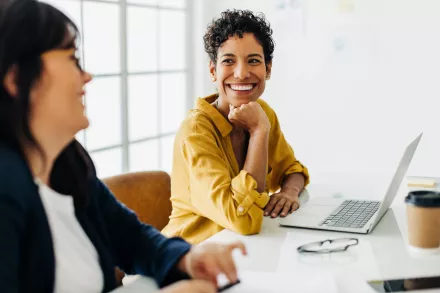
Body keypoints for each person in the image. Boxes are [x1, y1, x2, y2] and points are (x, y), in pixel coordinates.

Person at [0, 1, 245, 292]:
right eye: (72, 59)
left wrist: (188, 258)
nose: (86, 76)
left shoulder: (68, 163)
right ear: (16, 79)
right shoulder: (6, 185)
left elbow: (129, 237)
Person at [162, 10, 310, 244]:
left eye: (253, 60)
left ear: (268, 69)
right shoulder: (197, 130)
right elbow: (243, 219)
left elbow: (292, 170)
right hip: (191, 256)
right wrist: (259, 132)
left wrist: (288, 193)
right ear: (213, 70)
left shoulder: (263, 112)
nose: (241, 74)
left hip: (242, 250)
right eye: (228, 61)